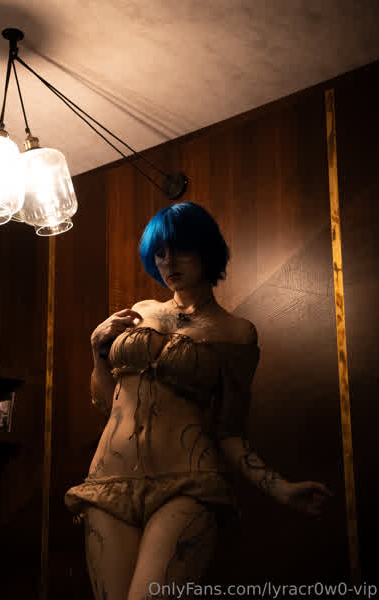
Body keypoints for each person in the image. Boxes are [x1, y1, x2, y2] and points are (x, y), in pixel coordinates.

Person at [64, 201, 334, 599]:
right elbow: (108, 405)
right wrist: (96, 351)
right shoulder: (139, 313)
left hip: (186, 485)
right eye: (160, 252)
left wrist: (281, 489)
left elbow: (230, 432)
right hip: (108, 483)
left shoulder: (237, 332)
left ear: (206, 249)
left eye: (180, 249)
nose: (168, 261)